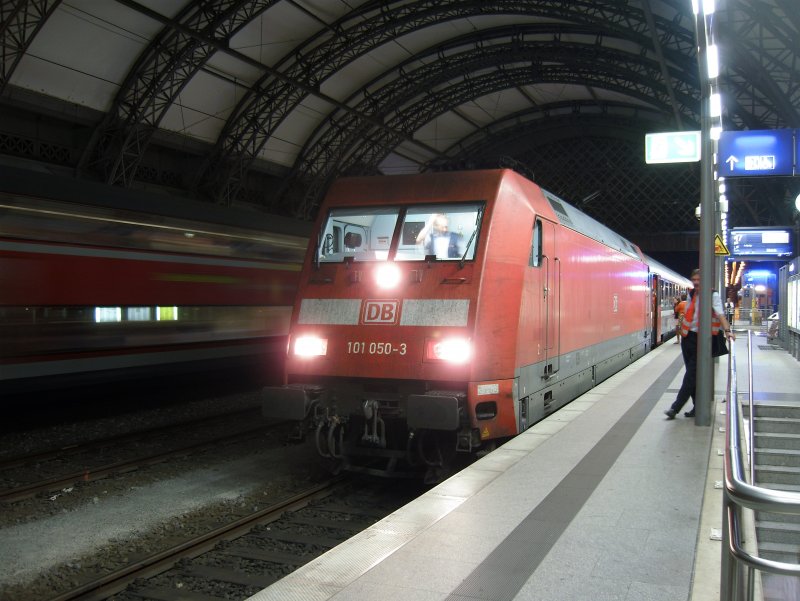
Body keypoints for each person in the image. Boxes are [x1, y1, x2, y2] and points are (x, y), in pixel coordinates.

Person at [665, 269, 735, 419]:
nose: (696, 282)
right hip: (687, 338)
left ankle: (675, 408)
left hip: (702, 339)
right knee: (693, 375)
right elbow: (688, 314)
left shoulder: (713, 295)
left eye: (698, 279)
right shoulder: (691, 294)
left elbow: (720, 313)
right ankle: (697, 407)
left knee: (691, 375)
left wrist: (728, 330)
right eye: (694, 279)